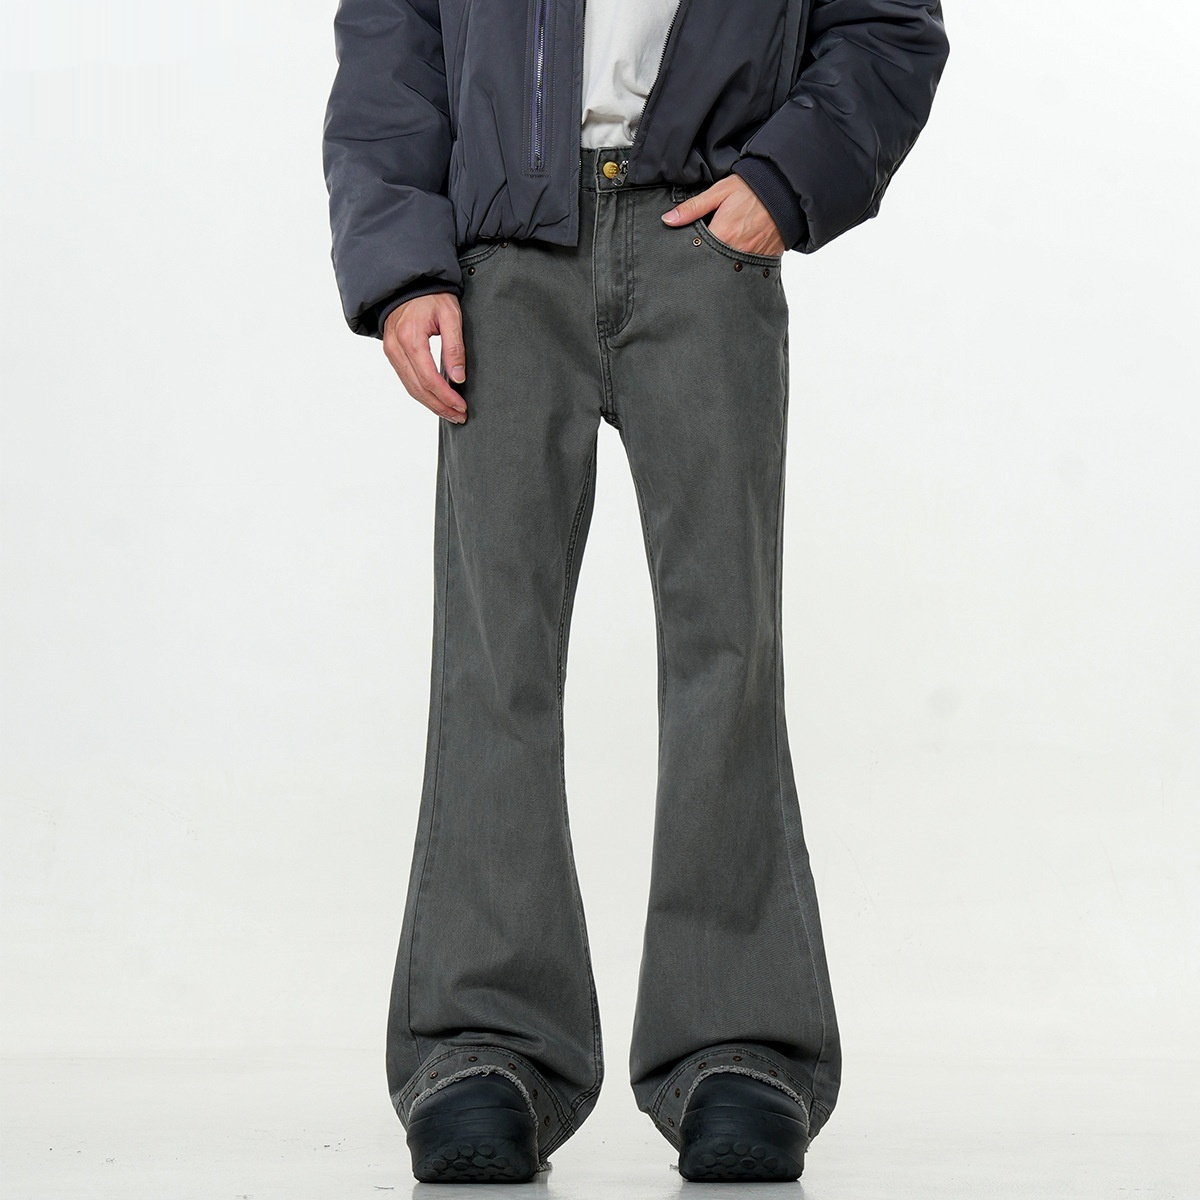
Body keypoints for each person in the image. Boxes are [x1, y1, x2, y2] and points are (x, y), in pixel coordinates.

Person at [322, 0, 949, 1183]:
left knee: (728, 649)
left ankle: (739, 1046)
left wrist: (783, 179)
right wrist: (403, 262)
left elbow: (887, 24)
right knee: (495, 659)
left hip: (703, 235)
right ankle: (482, 1047)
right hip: (503, 256)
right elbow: (395, 42)